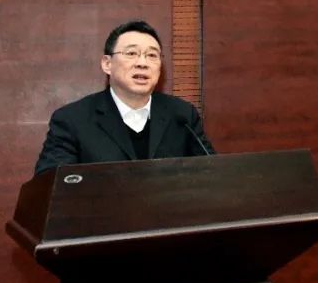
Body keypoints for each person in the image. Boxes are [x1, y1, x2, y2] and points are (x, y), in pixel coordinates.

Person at [34, 20, 215, 174]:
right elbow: (50, 185)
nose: (142, 63)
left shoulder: (182, 116)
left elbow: (213, 174)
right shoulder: (73, 120)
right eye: (131, 53)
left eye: (152, 55)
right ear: (107, 64)